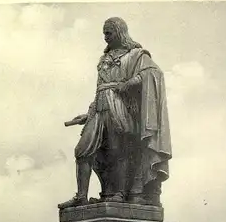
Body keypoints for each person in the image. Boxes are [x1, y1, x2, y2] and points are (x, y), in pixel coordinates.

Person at [59, 17, 172, 209]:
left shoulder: (136, 54)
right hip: (100, 108)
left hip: (120, 107)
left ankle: (119, 193)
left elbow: (153, 73)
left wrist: (128, 83)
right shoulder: (104, 59)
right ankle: (81, 196)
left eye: (108, 33)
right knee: (82, 150)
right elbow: (99, 89)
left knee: (118, 150)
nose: (105, 38)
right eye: (104, 33)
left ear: (119, 32)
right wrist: (88, 114)